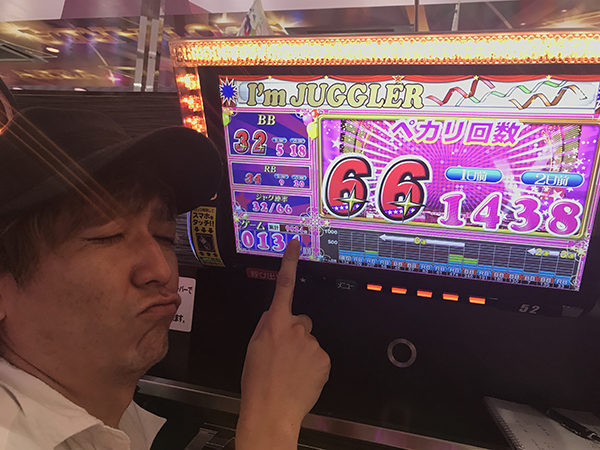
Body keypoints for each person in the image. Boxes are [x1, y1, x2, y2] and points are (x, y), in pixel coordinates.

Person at [0, 107, 331, 450]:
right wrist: (271, 421)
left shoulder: (111, 422)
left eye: (163, 236)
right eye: (107, 236)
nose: (161, 270)